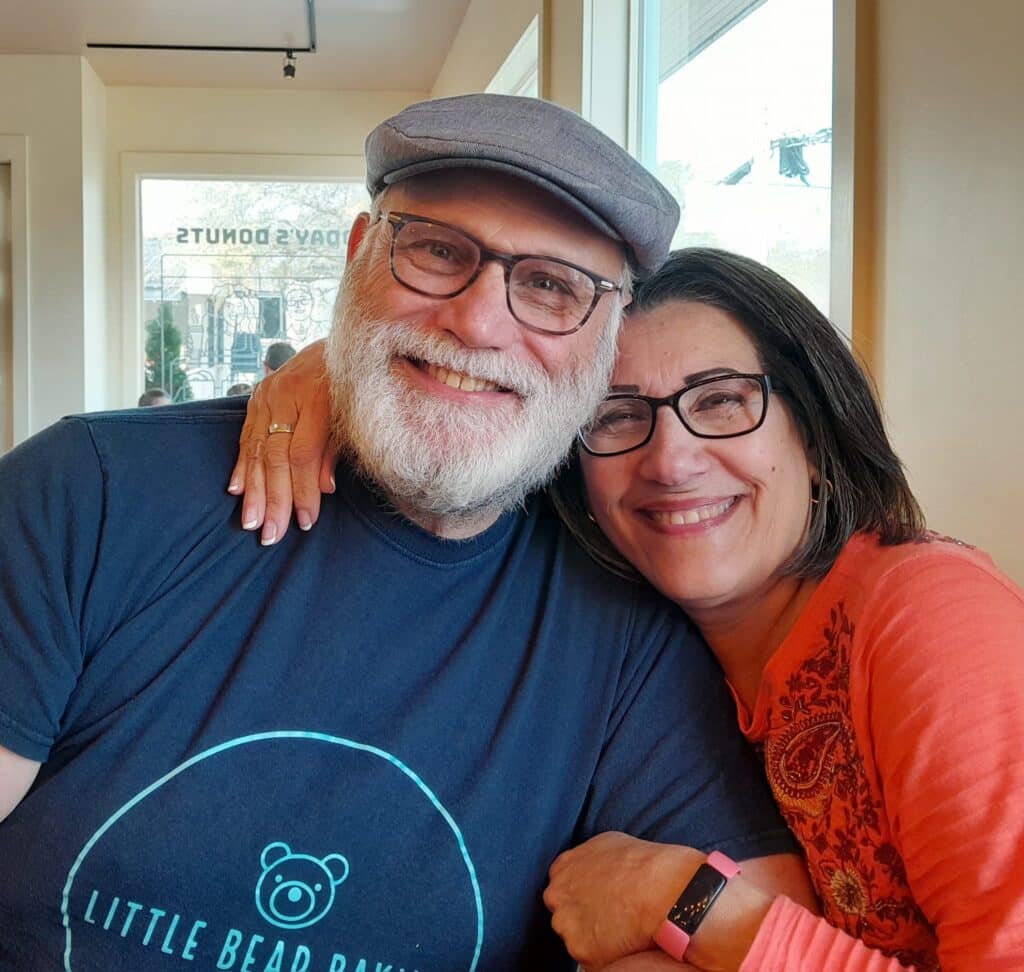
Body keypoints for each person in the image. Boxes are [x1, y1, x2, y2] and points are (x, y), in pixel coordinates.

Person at [0, 96, 808, 972]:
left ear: (606, 339)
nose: (478, 321)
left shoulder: (627, 634)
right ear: (357, 257)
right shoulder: (94, 493)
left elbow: (760, 930)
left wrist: (672, 897)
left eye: (550, 285)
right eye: (434, 250)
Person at [237, 248, 1024, 971]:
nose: (671, 462)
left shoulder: (923, 615)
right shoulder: (638, 642)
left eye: (720, 401)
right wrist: (330, 375)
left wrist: (683, 897)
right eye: (615, 416)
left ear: (814, 432)